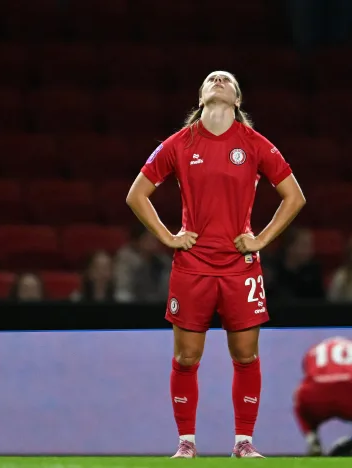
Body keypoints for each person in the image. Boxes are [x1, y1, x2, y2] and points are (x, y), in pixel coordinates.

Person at [125, 71, 306, 458]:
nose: (219, 79)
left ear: (237, 100)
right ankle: (186, 444)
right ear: (202, 96)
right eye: (212, 78)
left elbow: (294, 197)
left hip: (240, 266)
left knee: (245, 354)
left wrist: (260, 239)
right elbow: (136, 194)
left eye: (227, 80)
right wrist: (168, 236)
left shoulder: (255, 145)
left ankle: (243, 442)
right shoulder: (178, 143)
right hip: (192, 265)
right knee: (186, 356)